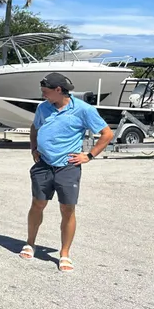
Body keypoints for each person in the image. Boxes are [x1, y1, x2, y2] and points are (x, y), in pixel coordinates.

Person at [19, 72, 114, 272]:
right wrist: (34, 148)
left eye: (46, 92)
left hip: (68, 167)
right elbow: (34, 128)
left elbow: (107, 134)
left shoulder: (83, 110)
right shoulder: (42, 108)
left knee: (67, 209)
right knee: (37, 204)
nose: (43, 95)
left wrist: (89, 156)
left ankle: (64, 254)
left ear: (59, 90)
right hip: (44, 164)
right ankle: (30, 243)